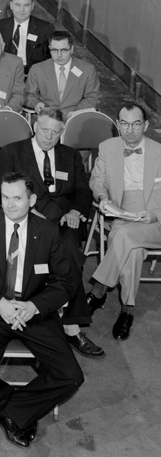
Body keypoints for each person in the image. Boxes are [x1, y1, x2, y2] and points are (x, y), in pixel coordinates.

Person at [0, 173, 84, 448]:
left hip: (33, 311)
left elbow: (64, 282)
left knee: (71, 375)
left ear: (31, 199)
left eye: (17, 198)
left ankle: (11, 411)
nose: (10, 205)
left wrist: (34, 306)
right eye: (4, 197)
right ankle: (10, 402)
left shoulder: (47, 231)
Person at [0, 108, 102, 357]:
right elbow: (4, 192)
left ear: (62, 131)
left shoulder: (70, 155)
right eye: (45, 130)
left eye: (56, 132)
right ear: (35, 126)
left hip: (65, 221)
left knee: (70, 253)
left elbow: (82, 191)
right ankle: (37, 315)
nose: (49, 136)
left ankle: (71, 326)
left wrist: (75, 211)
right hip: (26, 218)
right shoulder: (12, 152)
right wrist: (29, 215)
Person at [85, 101, 161, 341]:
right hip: (121, 211)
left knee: (123, 237)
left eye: (136, 124)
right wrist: (103, 198)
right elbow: (97, 180)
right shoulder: (107, 147)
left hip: (154, 218)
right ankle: (128, 311)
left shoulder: (160, 151)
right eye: (125, 124)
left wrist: (155, 214)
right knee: (133, 251)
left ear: (146, 125)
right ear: (117, 125)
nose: (130, 130)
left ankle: (98, 291)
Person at [24, 30, 101, 118]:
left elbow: (92, 97)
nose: (59, 55)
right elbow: (28, 94)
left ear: (71, 49)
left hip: (74, 117)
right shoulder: (37, 69)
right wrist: (36, 103)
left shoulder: (87, 69)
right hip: (47, 117)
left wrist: (76, 112)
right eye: (55, 50)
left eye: (64, 50)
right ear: (49, 48)